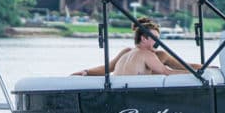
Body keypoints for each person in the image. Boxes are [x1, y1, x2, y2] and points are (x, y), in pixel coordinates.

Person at [71, 17, 202, 76]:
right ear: (143, 38)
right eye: (155, 39)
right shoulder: (145, 54)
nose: (158, 43)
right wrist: (199, 74)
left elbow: (183, 65)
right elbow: (168, 72)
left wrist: (202, 67)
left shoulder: (128, 54)